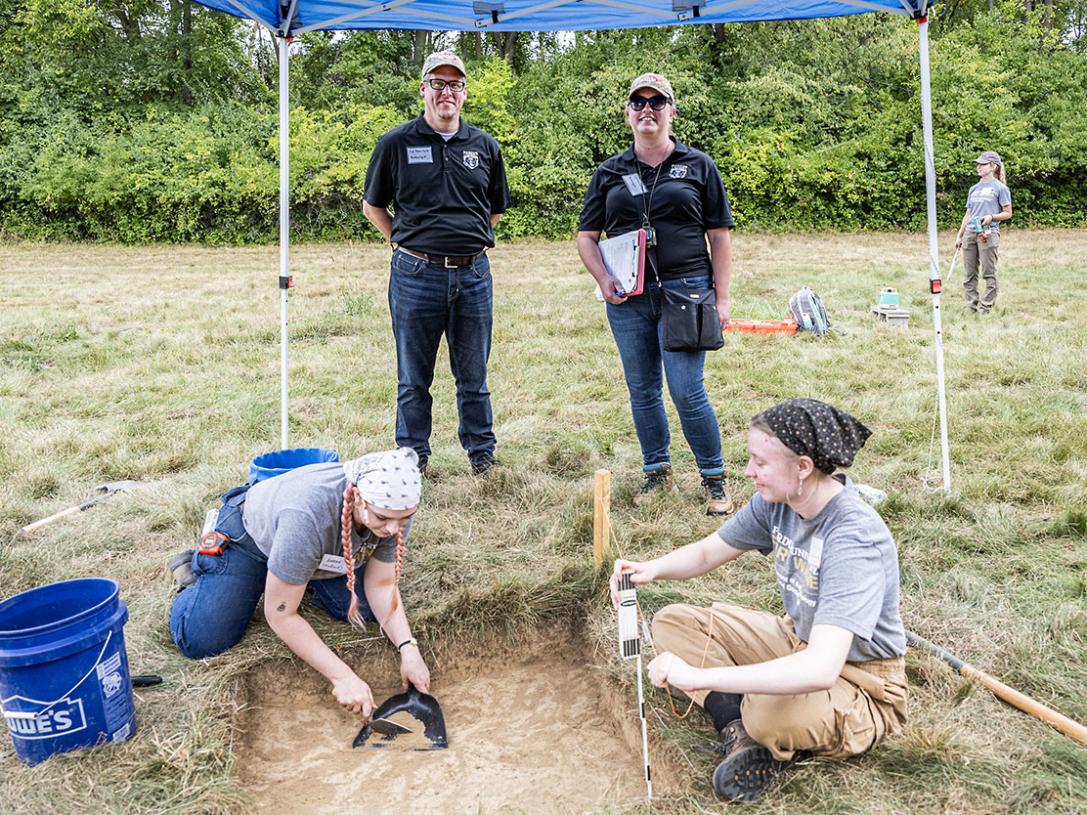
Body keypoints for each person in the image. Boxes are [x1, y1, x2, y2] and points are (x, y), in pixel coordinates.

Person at [610, 399, 908, 803]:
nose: (749, 472)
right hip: (797, 639)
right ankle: (736, 725)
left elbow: (822, 668)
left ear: (802, 467)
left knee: (765, 714)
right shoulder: (776, 503)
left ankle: (750, 719)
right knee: (673, 623)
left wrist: (700, 678)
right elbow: (706, 553)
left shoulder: (853, 537)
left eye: (759, 462)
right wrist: (648, 569)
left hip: (864, 681)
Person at [576, 73, 735, 516]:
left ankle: (715, 479)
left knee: (687, 390)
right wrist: (604, 279)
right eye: (639, 103)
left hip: (686, 291)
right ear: (628, 114)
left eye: (657, 102)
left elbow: (719, 236)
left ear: (672, 111)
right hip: (629, 297)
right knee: (642, 390)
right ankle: (656, 472)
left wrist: (721, 300)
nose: (648, 110)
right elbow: (587, 236)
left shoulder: (699, 165)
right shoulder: (609, 172)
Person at [168, 448, 429, 717]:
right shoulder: (307, 515)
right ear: (359, 498)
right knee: (202, 638)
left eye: (404, 519)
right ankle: (202, 567)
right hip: (251, 539)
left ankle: (293, 574)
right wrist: (342, 677)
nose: (393, 530)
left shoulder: (394, 509)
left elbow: (382, 585)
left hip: (317, 551)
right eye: (383, 519)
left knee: (364, 612)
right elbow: (280, 614)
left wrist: (408, 649)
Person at [363, 51, 512, 476]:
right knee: (413, 378)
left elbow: (494, 209)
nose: (447, 92)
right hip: (415, 275)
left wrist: (466, 241)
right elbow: (373, 205)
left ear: (465, 94)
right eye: (438, 83)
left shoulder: (484, 146)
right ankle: (412, 460)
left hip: (473, 274)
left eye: (455, 85)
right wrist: (408, 243)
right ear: (424, 89)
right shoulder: (396, 143)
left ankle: (482, 456)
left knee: (474, 375)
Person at [955, 150, 1012, 314]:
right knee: (969, 274)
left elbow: (1008, 213)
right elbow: (968, 214)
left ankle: (986, 307)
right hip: (970, 234)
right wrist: (960, 236)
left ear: (993, 166)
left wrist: (992, 217)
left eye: (982, 164)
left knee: (989, 272)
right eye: (978, 164)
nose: (978, 167)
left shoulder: (1000, 188)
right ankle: (971, 306)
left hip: (988, 234)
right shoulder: (973, 189)